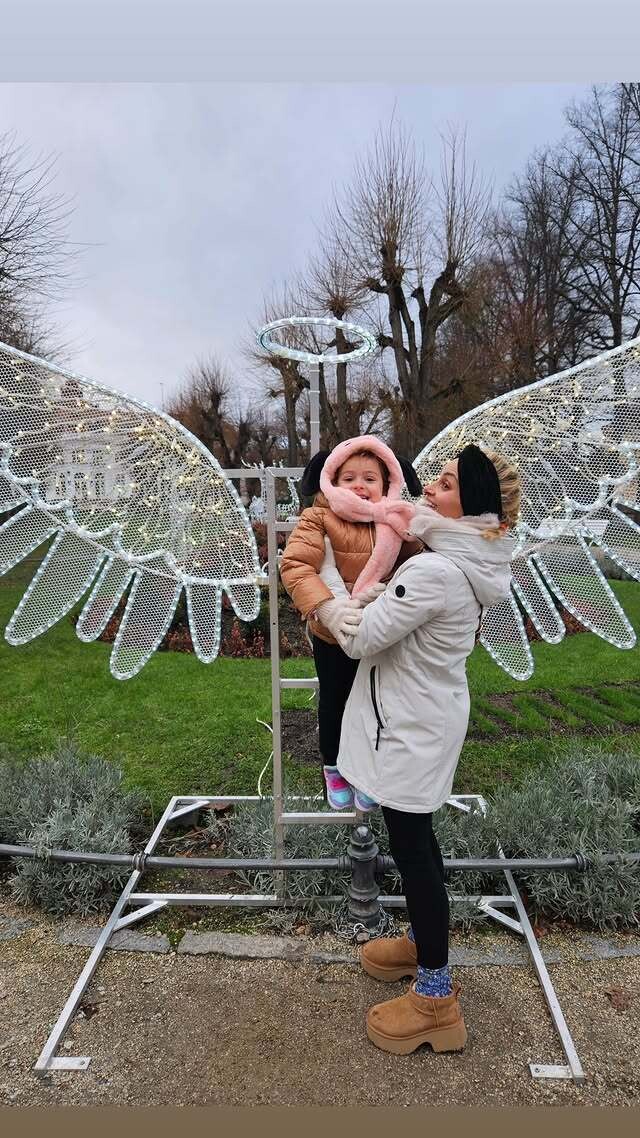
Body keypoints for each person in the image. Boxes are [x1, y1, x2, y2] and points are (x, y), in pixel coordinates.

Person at [325, 445, 520, 1056]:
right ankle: (420, 943)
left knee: (413, 850)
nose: (431, 486)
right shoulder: (458, 558)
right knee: (419, 844)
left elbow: (362, 641)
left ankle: (436, 999)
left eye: (448, 483)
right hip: (421, 719)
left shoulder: (434, 571)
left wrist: (343, 605)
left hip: (411, 728)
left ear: (473, 506)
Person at [279, 436, 420, 811]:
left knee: (379, 702)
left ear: (388, 482)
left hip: (381, 630)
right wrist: (326, 609)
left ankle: (369, 770)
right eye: (349, 477)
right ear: (331, 481)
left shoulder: (396, 520)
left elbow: (417, 564)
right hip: (334, 634)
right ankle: (334, 767)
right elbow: (295, 565)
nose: (360, 485)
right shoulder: (318, 517)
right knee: (336, 700)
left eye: (370, 478)